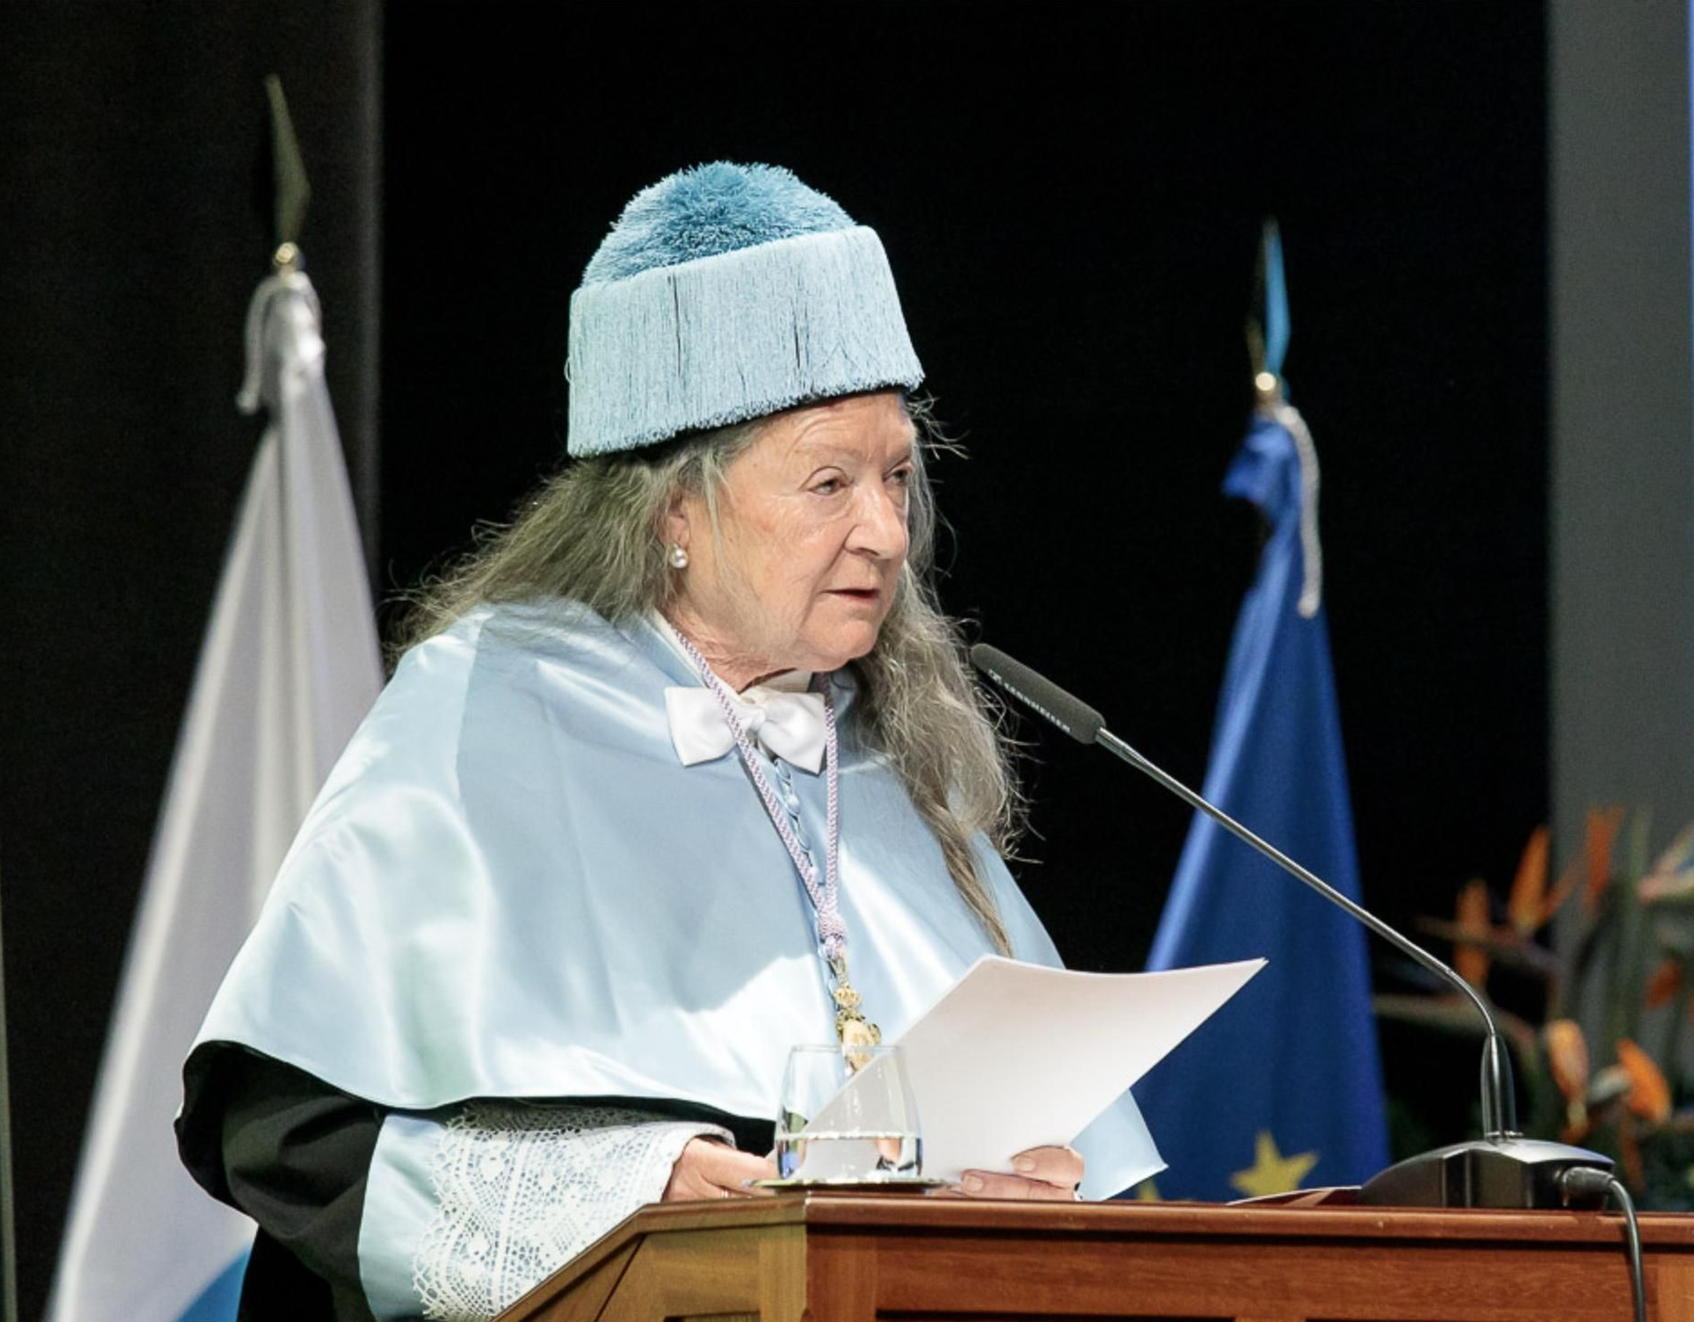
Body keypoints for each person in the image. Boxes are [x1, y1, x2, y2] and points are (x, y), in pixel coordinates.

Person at [177, 162, 1162, 1322]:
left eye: (898, 476)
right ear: (671, 513)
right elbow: (291, 1133)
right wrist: (633, 1189)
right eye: (828, 481)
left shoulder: (878, 755)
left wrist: (1021, 1206)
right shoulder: (486, 709)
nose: (886, 532)